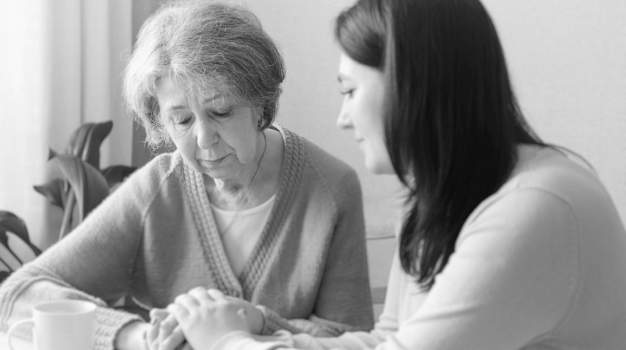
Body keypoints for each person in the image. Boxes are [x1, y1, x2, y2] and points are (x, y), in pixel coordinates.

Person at [152, 0, 626, 349]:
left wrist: (226, 342)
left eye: (350, 90)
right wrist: (259, 323)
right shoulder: (440, 198)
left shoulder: (538, 207)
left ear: (409, 87)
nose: (342, 118)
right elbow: (389, 338)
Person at [0, 2, 374, 349]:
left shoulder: (331, 188)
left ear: (260, 104)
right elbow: (17, 294)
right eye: (182, 120)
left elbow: (351, 338)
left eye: (221, 112)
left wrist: (245, 325)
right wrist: (136, 336)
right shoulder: (158, 188)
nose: (204, 139)